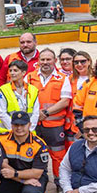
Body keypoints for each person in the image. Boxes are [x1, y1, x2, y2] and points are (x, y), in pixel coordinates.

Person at [0, 111, 50, 193]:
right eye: (16, 125)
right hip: (12, 179)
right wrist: (22, 180)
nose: (19, 128)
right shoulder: (1, 139)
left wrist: (15, 173)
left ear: (29, 125)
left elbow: (37, 173)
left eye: (23, 125)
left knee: (31, 192)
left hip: (33, 179)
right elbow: (2, 164)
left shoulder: (39, 144)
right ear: (11, 125)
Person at [25, 48, 71, 183]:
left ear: (55, 61)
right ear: (38, 61)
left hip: (54, 125)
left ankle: (60, 181)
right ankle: (37, 180)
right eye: (43, 59)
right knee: (33, 153)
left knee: (58, 155)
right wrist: (35, 115)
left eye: (48, 59)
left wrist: (45, 113)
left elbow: (65, 101)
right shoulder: (29, 77)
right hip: (33, 125)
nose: (45, 62)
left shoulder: (63, 78)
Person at [0, 60, 40, 134]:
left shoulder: (33, 90)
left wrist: (28, 130)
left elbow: (35, 113)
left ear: (23, 72)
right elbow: (2, 113)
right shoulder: (3, 90)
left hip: (28, 133)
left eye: (15, 70)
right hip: (7, 132)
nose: (12, 73)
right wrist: (16, 130)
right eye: (10, 70)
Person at [64, 51, 93, 149]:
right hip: (74, 124)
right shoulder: (70, 79)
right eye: (76, 62)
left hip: (92, 123)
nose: (79, 65)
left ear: (89, 61)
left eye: (83, 61)